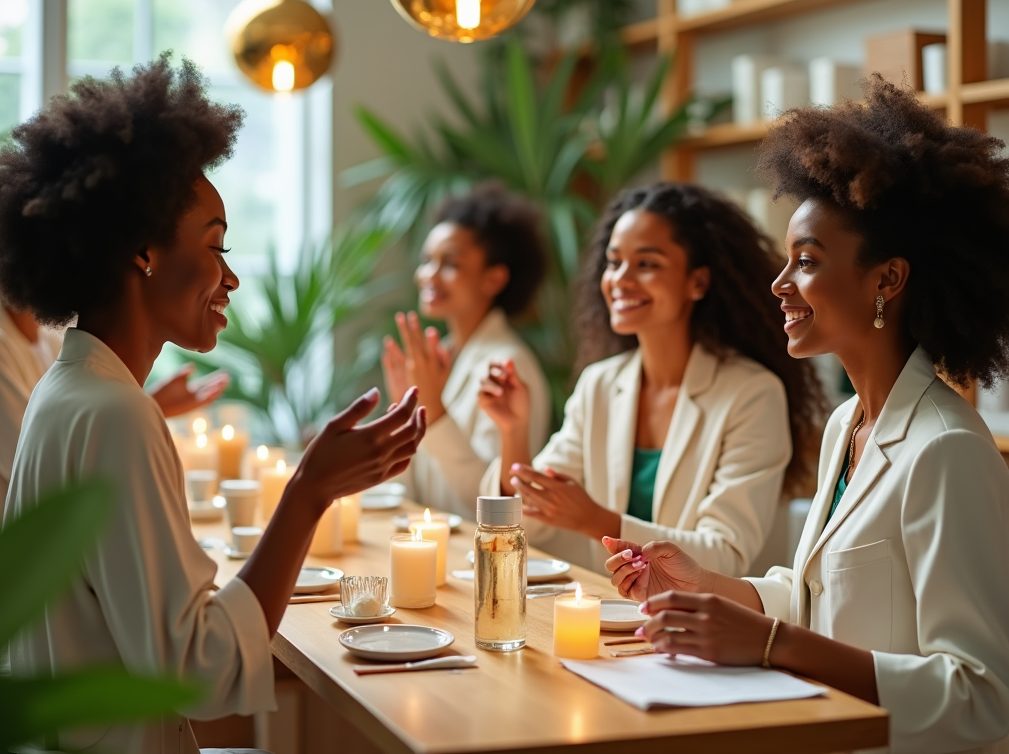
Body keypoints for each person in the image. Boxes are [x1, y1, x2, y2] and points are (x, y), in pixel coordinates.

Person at [0, 56, 425, 752]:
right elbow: (197, 670)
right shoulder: (113, 413)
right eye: (215, 246)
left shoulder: (71, 389)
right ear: (144, 253)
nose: (232, 277)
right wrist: (309, 491)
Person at [604, 76, 1009, 754]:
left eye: (807, 262)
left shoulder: (945, 451)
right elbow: (819, 596)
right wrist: (706, 587)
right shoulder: (848, 426)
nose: (780, 285)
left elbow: (981, 694)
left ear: (888, 279)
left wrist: (769, 644)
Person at [478, 182, 826, 574]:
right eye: (614, 262)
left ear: (698, 282)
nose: (621, 279)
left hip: (697, 626)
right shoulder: (600, 385)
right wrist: (514, 431)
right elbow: (529, 521)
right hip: (609, 616)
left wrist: (597, 521)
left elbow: (725, 554)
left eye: (647, 264)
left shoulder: (752, 394)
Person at [0, 282, 229, 530]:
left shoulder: (53, 341)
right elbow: (30, 460)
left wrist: (148, 405)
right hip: (17, 549)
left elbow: (77, 432)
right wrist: (149, 406)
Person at [380, 184, 550, 515]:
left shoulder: (508, 366)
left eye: (450, 264)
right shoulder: (442, 356)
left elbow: (495, 505)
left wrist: (435, 412)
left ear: (494, 279)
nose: (429, 275)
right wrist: (401, 421)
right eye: (427, 260)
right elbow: (411, 487)